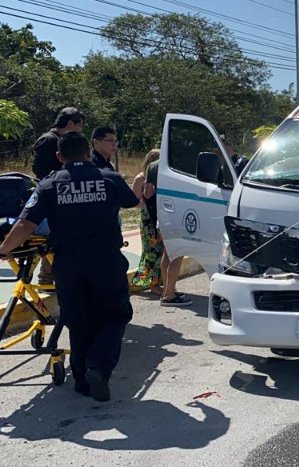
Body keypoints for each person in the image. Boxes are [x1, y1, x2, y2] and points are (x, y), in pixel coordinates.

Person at [0, 132, 139, 402]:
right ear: (88, 153)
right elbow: (132, 202)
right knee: (114, 316)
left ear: (59, 157)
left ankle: (81, 381)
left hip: (68, 264)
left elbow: (25, 225)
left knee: (78, 320)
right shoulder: (108, 178)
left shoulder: (49, 185)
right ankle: (97, 367)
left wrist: (4, 250)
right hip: (105, 261)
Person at [31, 107, 85, 286]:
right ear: (70, 123)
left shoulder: (61, 140)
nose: (80, 130)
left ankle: (47, 279)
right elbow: (39, 171)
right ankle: (41, 278)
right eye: (80, 125)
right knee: (47, 240)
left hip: (61, 197)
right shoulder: (49, 140)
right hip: (48, 197)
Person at [144, 156, 191, 307]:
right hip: (178, 213)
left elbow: (147, 193)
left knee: (167, 253)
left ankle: (168, 289)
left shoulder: (153, 165)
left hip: (162, 213)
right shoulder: (180, 163)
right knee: (177, 254)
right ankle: (169, 295)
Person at [130, 150, 164, 294]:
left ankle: (158, 281)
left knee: (161, 250)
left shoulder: (160, 177)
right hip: (148, 218)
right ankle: (152, 283)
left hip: (161, 216)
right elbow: (133, 201)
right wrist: (144, 202)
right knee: (151, 251)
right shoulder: (141, 178)